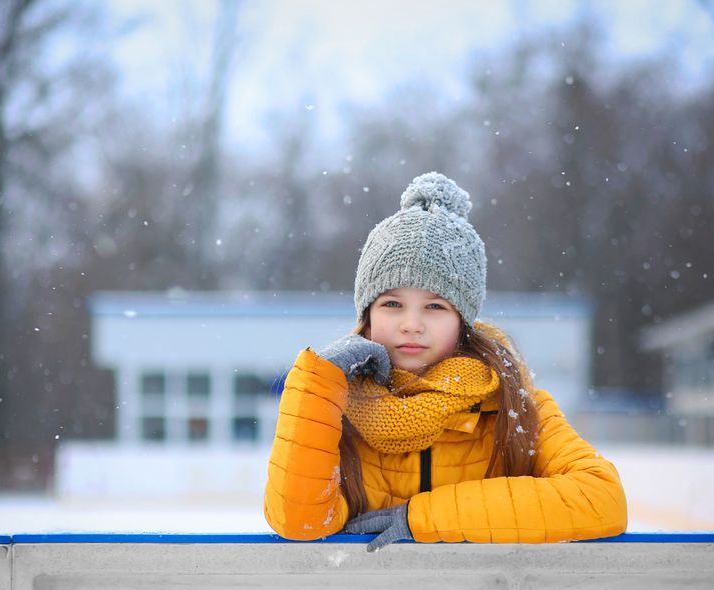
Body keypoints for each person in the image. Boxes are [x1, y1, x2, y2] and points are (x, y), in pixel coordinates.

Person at [263, 172, 627, 551]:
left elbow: (601, 499)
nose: (412, 324)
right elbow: (299, 523)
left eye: (435, 306)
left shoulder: (516, 409)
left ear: (462, 321)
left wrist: (422, 518)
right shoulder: (334, 412)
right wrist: (318, 382)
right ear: (368, 315)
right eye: (392, 303)